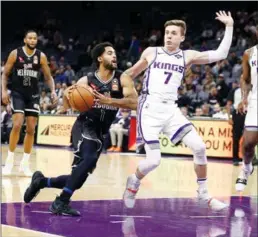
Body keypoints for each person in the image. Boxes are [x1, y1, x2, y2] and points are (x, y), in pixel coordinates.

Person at [122, 11, 233, 211]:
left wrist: (230, 26)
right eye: (167, 32)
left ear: (182, 37)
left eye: (174, 33)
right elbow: (130, 74)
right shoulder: (152, 52)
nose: (169, 36)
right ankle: (134, 181)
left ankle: (203, 194)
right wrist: (120, 87)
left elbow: (221, 54)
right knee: (154, 160)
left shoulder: (187, 56)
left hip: (171, 110)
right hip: (149, 109)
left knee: (199, 147)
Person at [24, 42, 138, 216]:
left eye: (114, 53)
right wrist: (67, 103)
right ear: (100, 58)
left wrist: (111, 101)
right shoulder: (86, 81)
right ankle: (61, 201)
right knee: (89, 158)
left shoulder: (122, 78)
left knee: (78, 179)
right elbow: (70, 95)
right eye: (109, 53)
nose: (114, 56)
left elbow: (135, 102)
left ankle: (41, 182)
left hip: (101, 131)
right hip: (85, 125)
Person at [1, 30, 57, 176]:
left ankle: (24, 164)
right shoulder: (15, 54)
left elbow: (48, 77)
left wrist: (53, 91)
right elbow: (5, 74)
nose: (33, 40)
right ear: (25, 40)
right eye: (30, 38)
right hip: (18, 94)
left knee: (31, 129)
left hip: (33, 95)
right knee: (17, 124)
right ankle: (9, 161)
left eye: (35, 38)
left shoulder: (41, 56)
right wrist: (3, 91)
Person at [235, 43, 258, 192]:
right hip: (256, 100)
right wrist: (244, 98)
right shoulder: (249, 53)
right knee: (249, 142)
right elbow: (245, 79)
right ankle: (246, 167)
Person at [226, 80, 246, 166]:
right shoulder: (234, 91)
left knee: (250, 138)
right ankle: (235, 158)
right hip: (237, 115)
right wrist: (229, 117)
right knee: (236, 137)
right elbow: (229, 104)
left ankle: (250, 158)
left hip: (249, 114)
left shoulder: (252, 91)